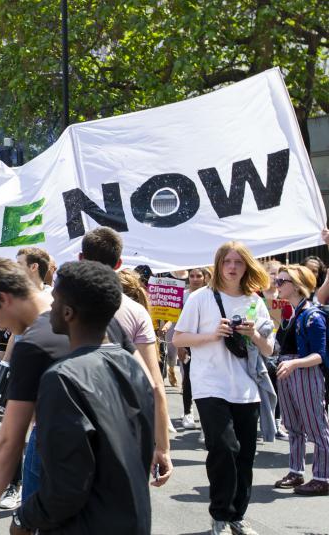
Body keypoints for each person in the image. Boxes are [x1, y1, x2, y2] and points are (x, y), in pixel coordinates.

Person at [9, 261, 154, 535]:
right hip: (133, 520)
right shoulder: (132, 365)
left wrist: (23, 519)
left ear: (68, 313)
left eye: (55, 299)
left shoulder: (62, 378)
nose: (50, 306)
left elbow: (66, 486)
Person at [173, 241, 275, 535]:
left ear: (247, 266)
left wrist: (253, 334)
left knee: (245, 455)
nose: (232, 267)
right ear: (218, 265)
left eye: (238, 262)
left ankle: (237, 516)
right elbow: (179, 339)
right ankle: (220, 514)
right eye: (227, 261)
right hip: (210, 385)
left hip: (246, 388)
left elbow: (269, 350)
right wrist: (212, 335)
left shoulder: (255, 301)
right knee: (223, 448)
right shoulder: (201, 298)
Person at [0, 257, 68, 535]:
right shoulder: (83, 316)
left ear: (3, 299)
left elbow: (9, 439)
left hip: (67, 480)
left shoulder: (33, 345)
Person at [78, 227, 173, 485]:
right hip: (121, 428)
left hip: (69, 425)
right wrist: (162, 447)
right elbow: (154, 385)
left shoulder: (57, 308)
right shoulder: (135, 311)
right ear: (119, 264)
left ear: (81, 259)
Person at [272, 265, 329, 496]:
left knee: (316, 426)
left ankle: (323, 477)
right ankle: (296, 471)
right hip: (288, 371)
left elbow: (321, 355)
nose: (276, 285)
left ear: (296, 286)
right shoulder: (290, 313)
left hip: (305, 372)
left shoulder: (312, 315)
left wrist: (294, 363)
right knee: (293, 426)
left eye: (281, 281)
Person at [178, 267, 212, 433]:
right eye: (192, 276)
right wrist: (181, 345)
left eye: (199, 276)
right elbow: (177, 320)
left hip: (206, 342)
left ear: (205, 277)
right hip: (188, 342)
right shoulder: (183, 296)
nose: (195, 279)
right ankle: (187, 413)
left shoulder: (210, 295)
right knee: (189, 378)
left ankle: (206, 417)